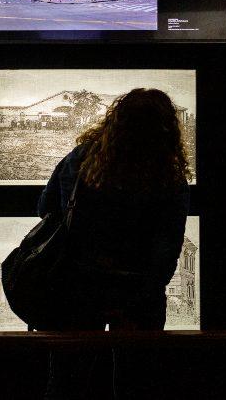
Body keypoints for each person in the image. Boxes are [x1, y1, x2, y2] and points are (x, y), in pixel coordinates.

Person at [35, 88, 191, 399]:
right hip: (137, 292)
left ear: (115, 121)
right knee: (137, 383)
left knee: (68, 382)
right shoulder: (168, 175)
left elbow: (45, 209)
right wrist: (145, 293)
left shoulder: (80, 159)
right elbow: (167, 247)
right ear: (166, 130)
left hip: (79, 285)